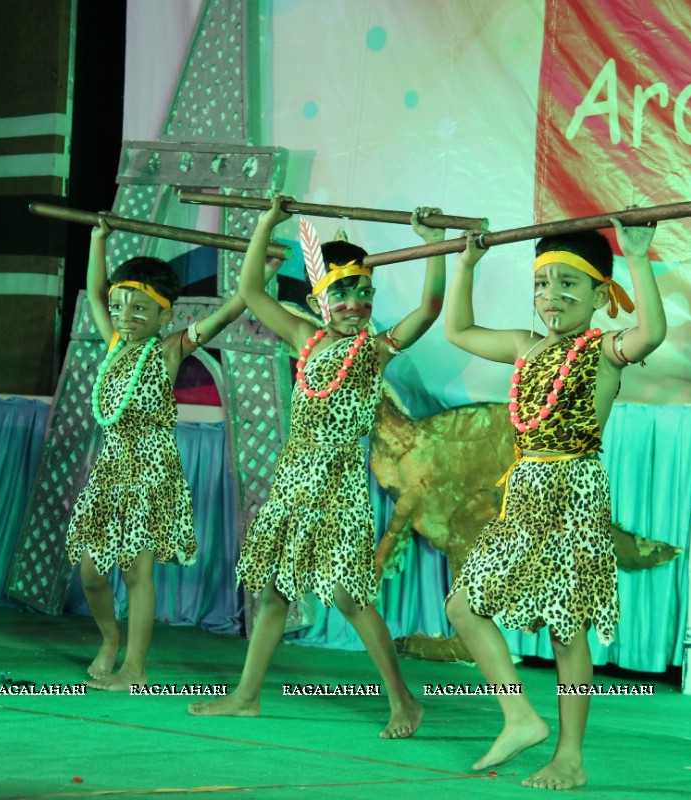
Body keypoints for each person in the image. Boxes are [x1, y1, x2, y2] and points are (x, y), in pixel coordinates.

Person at [189, 196, 446, 739]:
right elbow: (252, 292)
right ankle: (246, 696)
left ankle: (404, 701)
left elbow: (429, 310)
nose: (355, 302)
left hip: (337, 488)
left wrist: (433, 247)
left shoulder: (374, 350)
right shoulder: (305, 340)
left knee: (351, 597)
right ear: (318, 299)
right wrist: (265, 224)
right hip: (294, 483)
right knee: (278, 589)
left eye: (364, 292)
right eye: (343, 292)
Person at [443, 219, 666, 790]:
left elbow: (652, 334)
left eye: (569, 285)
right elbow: (459, 330)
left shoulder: (607, 350)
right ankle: (520, 716)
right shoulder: (525, 346)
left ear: (600, 295)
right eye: (543, 284)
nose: (552, 297)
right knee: (465, 607)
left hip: (574, 495)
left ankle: (570, 756)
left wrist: (637, 257)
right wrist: (465, 264)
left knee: (568, 632)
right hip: (523, 495)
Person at [66, 217, 272, 691]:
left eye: (140, 308)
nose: (125, 314)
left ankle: (135, 669)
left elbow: (231, 309)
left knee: (136, 570)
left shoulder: (170, 349)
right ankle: (110, 640)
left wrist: (256, 271)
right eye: (122, 306)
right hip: (111, 471)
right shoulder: (116, 343)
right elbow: (96, 291)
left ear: (165, 316)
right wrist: (99, 240)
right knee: (92, 573)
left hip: (151, 470)